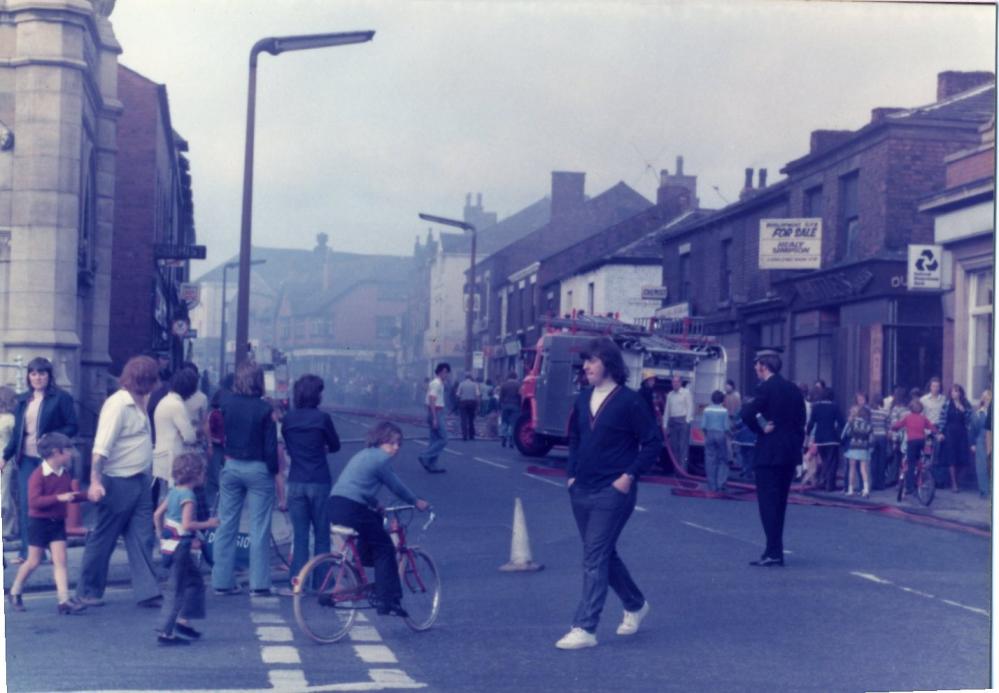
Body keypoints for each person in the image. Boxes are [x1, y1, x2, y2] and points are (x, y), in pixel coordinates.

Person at [556, 338, 661, 650]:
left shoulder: (630, 401)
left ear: (610, 365)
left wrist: (628, 476)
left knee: (593, 556)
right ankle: (636, 604)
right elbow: (574, 438)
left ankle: (585, 627)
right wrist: (571, 475)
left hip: (613, 491)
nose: (585, 366)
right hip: (582, 489)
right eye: (585, 361)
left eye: (592, 360)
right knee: (602, 554)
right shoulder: (583, 398)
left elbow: (653, 442)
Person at [76, 355, 162, 608]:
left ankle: (148, 591)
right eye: (152, 379)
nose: (156, 384)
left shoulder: (141, 401)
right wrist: (94, 482)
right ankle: (88, 591)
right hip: (118, 482)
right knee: (104, 538)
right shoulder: (117, 405)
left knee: (143, 537)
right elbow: (100, 448)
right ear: (143, 380)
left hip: (141, 480)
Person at [326, 422, 430, 617]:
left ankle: (364, 574)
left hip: (335, 505)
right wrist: (416, 501)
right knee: (385, 548)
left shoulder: (363, 454)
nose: (396, 448)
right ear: (381, 441)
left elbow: (356, 486)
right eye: (392, 443)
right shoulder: (381, 460)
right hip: (352, 508)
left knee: (373, 525)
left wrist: (375, 504)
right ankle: (386, 600)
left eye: (399, 444)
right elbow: (396, 486)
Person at [211, 361, 279, 597]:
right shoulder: (265, 409)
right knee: (259, 528)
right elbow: (271, 447)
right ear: (259, 381)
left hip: (231, 466)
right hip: (258, 468)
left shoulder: (226, 404)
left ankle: (221, 581)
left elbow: (218, 436)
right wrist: (273, 471)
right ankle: (259, 584)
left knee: (226, 524)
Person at [3, 357, 78, 563]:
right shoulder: (22, 399)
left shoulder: (61, 398)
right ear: (28, 376)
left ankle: (54, 550)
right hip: (26, 459)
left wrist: (52, 437)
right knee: (29, 504)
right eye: (34, 373)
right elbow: (18, 432)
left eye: (42, 373)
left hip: (50, 459)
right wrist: (5, 457)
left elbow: (72, 426)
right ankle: (29, 552)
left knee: (54, 505)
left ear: (49, 376)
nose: (37, 378)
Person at [6, 432, 87, 614]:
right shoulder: (38, 475)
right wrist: (59, 498)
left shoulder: (64, 474)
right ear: (56, 452)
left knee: (60, 561)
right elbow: (34, 502)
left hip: (57, 522)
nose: (71, 454)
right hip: (39, 523)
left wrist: (88, 496)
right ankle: (15, 591)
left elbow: (70, 497)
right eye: (67, 450)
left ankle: (64, 600)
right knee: (33, 561)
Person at [740, 350, 806, 567]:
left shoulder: (765, 388)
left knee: (768, 504)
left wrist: (760, 428)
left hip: (768, 453)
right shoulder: (793, 389)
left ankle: (773, 551)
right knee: (780, 504)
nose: (755, 369)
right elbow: (801, 422)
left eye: (756, 365)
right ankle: (775, 551)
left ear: (763, 366)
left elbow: (747, 413)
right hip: (789, 453)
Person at [281, 374, 341, 586]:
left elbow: (288, 444)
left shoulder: (288, 419)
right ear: (316, 395)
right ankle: (322, 582)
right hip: (319, 480)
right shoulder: (322, 419)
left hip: (296, 481)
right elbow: (335, 445)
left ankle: (297, 582)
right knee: (322, 535)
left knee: (300, 537)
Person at [153, 453, 219, 645]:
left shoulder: (173, 492)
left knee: (196, 582)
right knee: (177, 590)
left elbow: (157, 515)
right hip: (181, 547)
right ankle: (165, 632)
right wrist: (209, 523)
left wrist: (161, 537)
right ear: (196, 474)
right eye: (203, 472)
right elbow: (188, 524)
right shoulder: (189, 496)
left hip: (172, 546)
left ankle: (183, 623)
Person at [152, 368, 200, 505]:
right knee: (173, 498)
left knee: (163, 497)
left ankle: (161, 524)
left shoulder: (165, 401)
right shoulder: (177, 405)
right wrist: (194, 430)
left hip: (161, 455)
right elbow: (190, 437)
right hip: (173, 456)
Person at [891, 400, 938, 497]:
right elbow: (932, 427)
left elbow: (898, 425)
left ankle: (909, 487)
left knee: (910, 463)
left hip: (912, 442)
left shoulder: (907, 417)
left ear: (910, 408)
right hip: (921, 441)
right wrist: (936, 433)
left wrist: (893, 427)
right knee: (920, 459)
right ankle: (921, 472)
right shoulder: (923, 418)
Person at [806, 385, 843, 492]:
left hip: (820, 438)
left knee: (825, 460)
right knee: (832, 461)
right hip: (832, 438)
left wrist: (808, 434)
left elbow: (811, 423)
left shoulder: (816, 407)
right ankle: (829, 484)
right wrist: (843, 435)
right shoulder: (835, 407)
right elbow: (841, 422)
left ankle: (825, 481)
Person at [937, 383, 972, 492]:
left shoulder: (966, 404)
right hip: (950, 432)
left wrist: (963, 410)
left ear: (960, 393)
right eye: (952, 391)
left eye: (956, 391)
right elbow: (942, 419)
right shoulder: (947, 404)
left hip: (962, 432)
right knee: (951, 457)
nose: (954, 394)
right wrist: (940, 432)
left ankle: (956, 478)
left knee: (963, 457)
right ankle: (954, 483)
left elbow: (969, 419)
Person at [417, 363, 450, 473]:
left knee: (434, 439)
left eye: (447, 372)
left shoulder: (439, 383)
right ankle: (424, 456)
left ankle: (432, 465)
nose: (447, 374)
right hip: (436, 412)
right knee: (444, 438)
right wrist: (435, 418)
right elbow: (432, 399)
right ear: (440, 372)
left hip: (436, 412)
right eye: (445, 372)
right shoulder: (436, 383)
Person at [841, 405, 873, 497]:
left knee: (852, 469)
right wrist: (870, 448)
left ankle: (850, 490)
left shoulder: (852, 423)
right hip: (863, 449)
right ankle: (866, 489)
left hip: (853, 447)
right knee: (863, 469)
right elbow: (871, 439)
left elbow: (848, 434)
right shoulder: (868, 425)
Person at [701, 390, 730, 492]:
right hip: (721, 435)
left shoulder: (706, 410)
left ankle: (712, 485)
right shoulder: (724, 411)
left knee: (710, 460)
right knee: (723, 459)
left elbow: (703, 426)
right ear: (722, 399)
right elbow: (727, 428)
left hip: (709, 434)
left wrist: (707, 434)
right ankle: (721, 483)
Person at [664, 375, 693, 471]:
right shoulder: (670, 395)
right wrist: (665, 425)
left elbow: (690, 407)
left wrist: (687, 421)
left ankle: (683, 469)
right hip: (673, 422)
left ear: (680, 383)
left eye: (676, 382)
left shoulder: (686, 393)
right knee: (674, 447)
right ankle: (676, 470)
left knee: (683, 447)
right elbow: (667, 410)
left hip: (683, 421)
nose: (674, 384)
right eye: (673, 382)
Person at [0, 386, 18, 541]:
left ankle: (5, 530)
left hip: (4, 460)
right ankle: (10, 526)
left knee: (3, 494)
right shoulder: (8, 419)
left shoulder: (10, 420)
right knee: (5, 494)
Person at [970, 389, 992, 498]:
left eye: (989, 398)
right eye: (985, 398)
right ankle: (984, 491)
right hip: (980, 439)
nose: (986, 400)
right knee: (981, 466)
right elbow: (972, 429)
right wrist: (972, 444)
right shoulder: (979, 413)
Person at [869, 396, 891, 491]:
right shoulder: (885, 412)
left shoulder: (871, 412)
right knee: (882, 460)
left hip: (873, 437)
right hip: (882, 436)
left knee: (873, 460)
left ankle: (873, 483)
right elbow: (888, 425)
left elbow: (869, 424)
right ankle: (881, 484)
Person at [498, 372, 521, 448]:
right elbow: (520, 395)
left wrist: (500, 405)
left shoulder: (504, 384)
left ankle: (503, 438)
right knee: (513, 423)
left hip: (505, 405)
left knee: (505, 422)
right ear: (515, 377)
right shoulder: (518, 385)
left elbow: (501, 396)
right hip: (515, 405)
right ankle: (511, 440)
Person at [456, 373, 480, 441]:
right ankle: (471, 435)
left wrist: (458, 402)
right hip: (472, 402)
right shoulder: (475, 384)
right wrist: (478, 405)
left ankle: (464, 436)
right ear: (471, 378)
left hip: (463, 402)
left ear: (465, 378)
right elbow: (477, 395)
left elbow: (458, 394)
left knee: (463, 420)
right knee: (471, 420)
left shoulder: (461, 384)